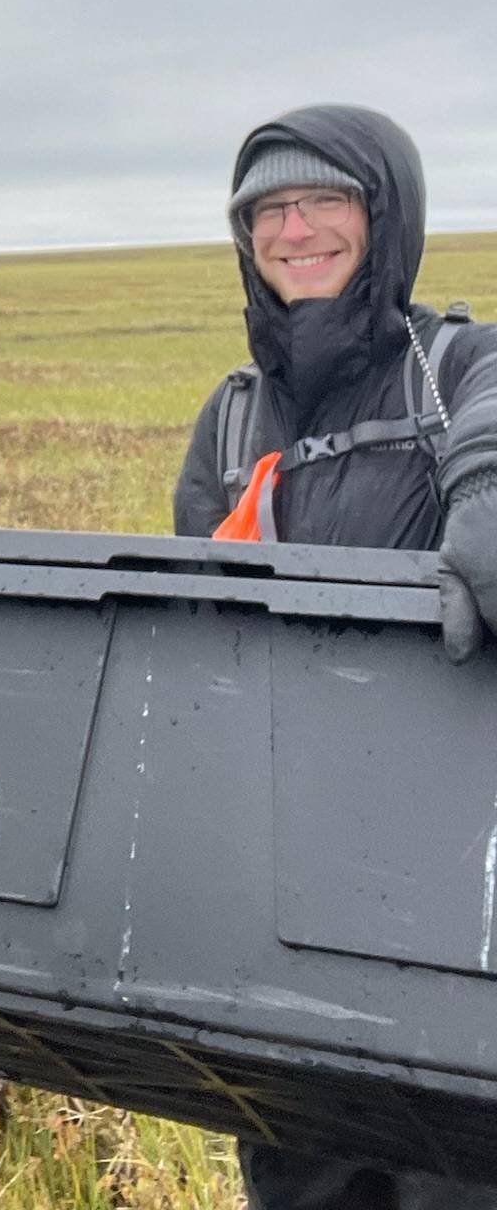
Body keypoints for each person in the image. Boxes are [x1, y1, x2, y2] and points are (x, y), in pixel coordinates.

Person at [174, 102, 497, 1210]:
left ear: (387, 217)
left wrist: (486, 474)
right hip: (288, 892)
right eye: (267, 209)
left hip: (461, 889)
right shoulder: (231, 422)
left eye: (325, 200)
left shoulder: (455, 368)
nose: (294, 228)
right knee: (301, 1173)